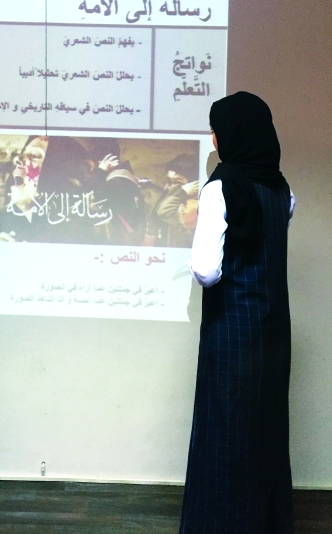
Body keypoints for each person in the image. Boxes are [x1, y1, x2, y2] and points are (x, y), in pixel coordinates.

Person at [179, 92, 295, 534]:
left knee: (226, 432)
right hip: (274, 332)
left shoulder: (218, 189)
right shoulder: (281, 188)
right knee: (265, 430)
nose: (213, 139)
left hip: (232, 333)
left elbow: (207, 271)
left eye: (215, 131)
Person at [152, 154, 199, 247]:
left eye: (178, 182)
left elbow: (164, 212)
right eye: (169, 182)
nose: (170, 187)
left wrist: (182, 192)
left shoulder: (195, 206)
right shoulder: (177, 198)